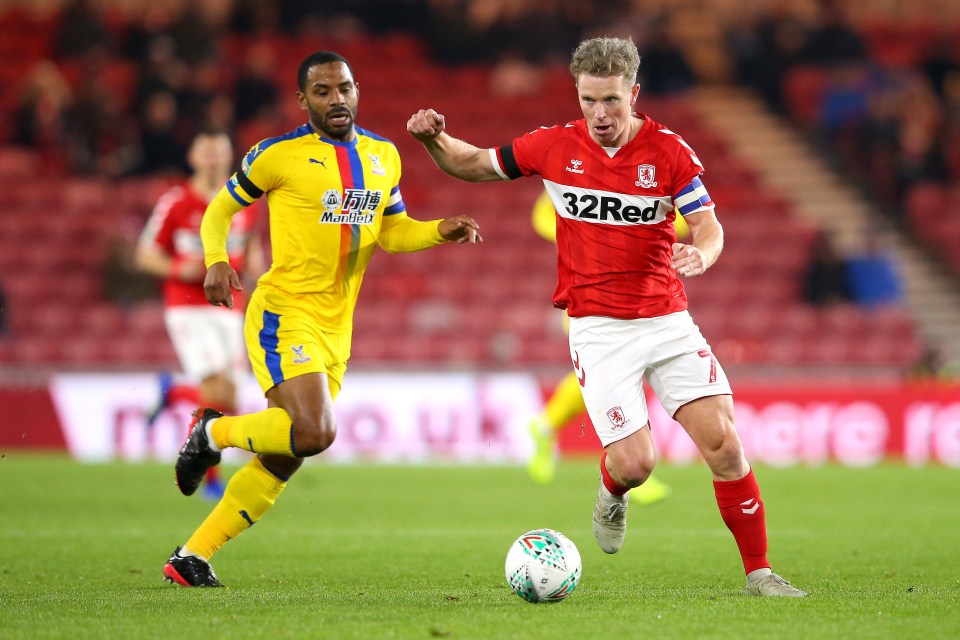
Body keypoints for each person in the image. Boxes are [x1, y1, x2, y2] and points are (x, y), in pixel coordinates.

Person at [408, 36, 806, 597]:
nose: (599, 114)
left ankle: (759, 573)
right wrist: (434, 140)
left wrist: (702, 253)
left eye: (611, 102)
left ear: (634, 94)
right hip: (598, 328)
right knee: (636, 463)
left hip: (667, 320)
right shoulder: (552, 146)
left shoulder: (669, 152)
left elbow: (710, 227)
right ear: (578, 94)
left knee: (725, 444)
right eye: (589, 100)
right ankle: (611, 493)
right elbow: (473, 164)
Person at [161, 50, 482, 587]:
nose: (338, 99)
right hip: (284, 313)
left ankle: (192, 556)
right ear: (302, 99)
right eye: (324, 91)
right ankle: (212, 432)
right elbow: (220, 209)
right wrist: (217, 259)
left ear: (358, 91)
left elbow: (393, 231)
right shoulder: (277, 155)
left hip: (337, 328)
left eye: (346, 88)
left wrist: (437, 230)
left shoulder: (384, 156)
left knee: (288, 452)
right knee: (314, 431)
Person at [136, 129, 264, 501]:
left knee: (231, 397)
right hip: (188, 309)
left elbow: (253, 247)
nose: (212, 160)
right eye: (205, 153)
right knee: (214, 391)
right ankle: (210, 482)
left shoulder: (245, 202)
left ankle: (173, 391)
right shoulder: (176, 202)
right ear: (192, 158)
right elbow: (144, 255)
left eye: (218, 153)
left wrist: (257, 268)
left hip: (229, 308)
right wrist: (180, 269)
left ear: (229, 158)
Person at [527, 190, 672, 507]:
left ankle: (546, 425)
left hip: (633, 299)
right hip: (589, 300)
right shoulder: (574, 179)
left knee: (607, 377)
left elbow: (671, 222)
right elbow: (542, 215)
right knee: (618, 377)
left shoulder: (636, 180)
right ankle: (632, 466)